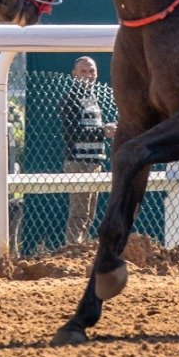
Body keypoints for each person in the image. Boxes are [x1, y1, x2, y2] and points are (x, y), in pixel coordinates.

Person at [60, 56, 114, 244]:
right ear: (74, 74)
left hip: (94, 162)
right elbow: (73, 133)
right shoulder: (71, 99)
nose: (88, 75)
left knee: (89, 214)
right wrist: (103, 131)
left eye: (92, 71)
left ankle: (79, 249)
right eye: (83, 71)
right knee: (79, 214)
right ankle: (73, 250)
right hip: (78, 161)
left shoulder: (92, 98)